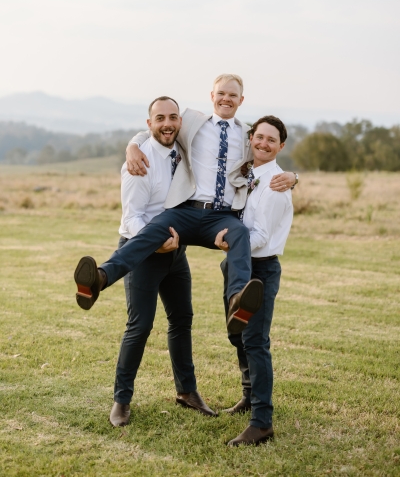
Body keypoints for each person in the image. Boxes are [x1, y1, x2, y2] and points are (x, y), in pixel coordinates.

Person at [74, 74, 296, 335]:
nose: (226, 99)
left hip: (221, 217)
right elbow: (155, 129)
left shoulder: (248, 135)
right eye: (221, 93)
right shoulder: (192, 122)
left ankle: (237, 302)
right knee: (154, 229)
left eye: (233, 95)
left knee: (239, 233)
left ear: (241, 100)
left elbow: (265, 156)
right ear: (212, 96)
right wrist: (132, 146)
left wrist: (294, 177)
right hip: (187, 211)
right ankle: (100, 278)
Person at [105, 96, 215, 427]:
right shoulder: (139, 163)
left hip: (176, 252)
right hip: (141, 251)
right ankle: (121, 400)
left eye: (173, 117)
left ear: (179, 121)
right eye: (160, 118)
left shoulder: (182, 149)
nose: (167, 124)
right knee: (139, 326)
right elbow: (132, 218)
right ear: (149, 123)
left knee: (182, 319)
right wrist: (157, 244)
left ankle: (187, 392)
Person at [214, 115, 293, 446]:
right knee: (237, 335)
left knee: (256, 342)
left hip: (260, 270)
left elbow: (261, 235)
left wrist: (233, 242)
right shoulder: (246, 173)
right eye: (259, 137)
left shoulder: (275, 186)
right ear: (251, 139)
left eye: (271, 140)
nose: (263, 143)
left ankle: (262, 422)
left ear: (280, 146)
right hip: (236, 267)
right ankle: (248, 395)